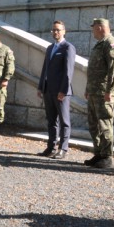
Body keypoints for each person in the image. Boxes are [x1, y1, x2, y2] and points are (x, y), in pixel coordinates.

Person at [84, 18, 114, 169]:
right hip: (94, 92)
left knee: (105, 124)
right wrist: (88, 88)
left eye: (94, 27)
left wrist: (110, 91)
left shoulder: (111, 43)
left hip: (103, 93)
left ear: (100, 27)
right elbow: (93, 70)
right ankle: (99, 153)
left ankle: (107, 156)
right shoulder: (100, 44)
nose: (92, 30)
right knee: (94, 124)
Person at [37, 20, 76, 159]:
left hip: (61, 92)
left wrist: (63, 91)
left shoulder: (68, 48)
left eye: (58, 30)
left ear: (64, 31)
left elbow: (68, 72)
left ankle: (63, 149)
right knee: (51, 120)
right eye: (53, 30)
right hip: (48, 90)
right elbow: (45, 69)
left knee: (64, 121)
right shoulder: (50, 48)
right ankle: (51, 147)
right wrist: (41, 86)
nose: (55, 32)